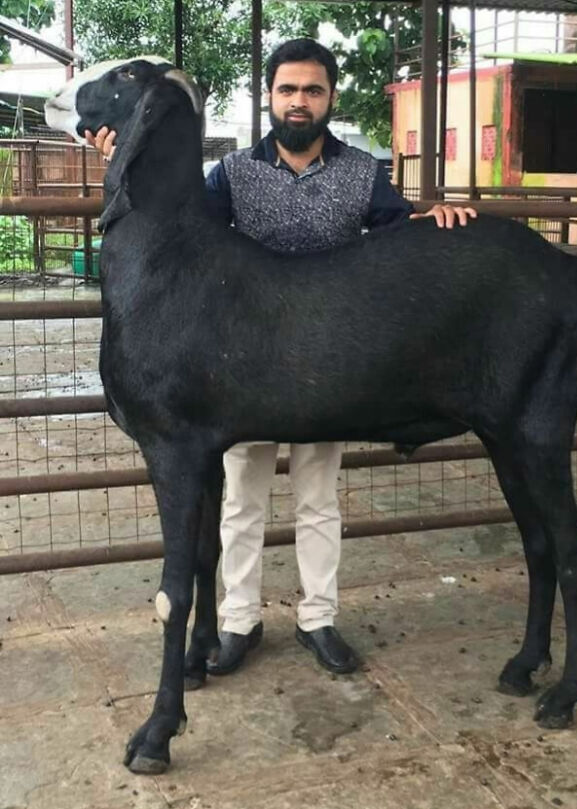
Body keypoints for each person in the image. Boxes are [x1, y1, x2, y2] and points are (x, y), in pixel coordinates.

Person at [87, 38, 475, 677]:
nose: (300, 102)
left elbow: (398, 233)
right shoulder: (234, 172)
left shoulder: (360, 172)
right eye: (288, 90)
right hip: (240, 362)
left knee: (319, 498)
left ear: (330, 100)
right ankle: (239, 622)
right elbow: (176, 225)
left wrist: (438, 215)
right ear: (269, 98)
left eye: (313, 90)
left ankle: (318, 618)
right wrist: (127, 157)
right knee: (242, 499)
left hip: (325, 362)